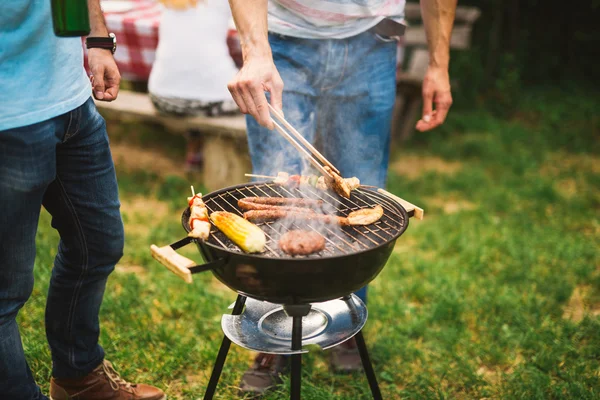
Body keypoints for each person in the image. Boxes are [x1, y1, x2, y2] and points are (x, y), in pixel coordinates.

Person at [226, 0, 456, 395]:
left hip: (374, 40)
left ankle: (344, 321)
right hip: (280, 39)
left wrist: (438, 62)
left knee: (363, 199)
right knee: (274, 190)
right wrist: (255, 51)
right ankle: (273, 331)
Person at [0, 1, 165, 399]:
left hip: (71, 99)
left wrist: (97, 39)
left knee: (99, 245)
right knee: (5, 291)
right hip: (9, 119)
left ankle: (79, 377)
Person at [148, 0, 240, 172]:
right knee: (249, 93)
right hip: (214, 102)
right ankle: (203, 150)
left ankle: (194, 147)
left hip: (162, 98)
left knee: (194, 82)